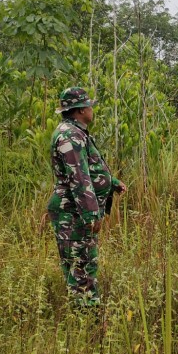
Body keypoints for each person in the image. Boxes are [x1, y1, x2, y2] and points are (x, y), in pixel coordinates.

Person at [47, 87, 126, 308]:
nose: (93, 109)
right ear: (81, 110)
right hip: (73, 212)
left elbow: (87, 168)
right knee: (81, 263)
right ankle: (85, 316)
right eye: (90, 105)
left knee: (82, 261)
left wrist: (111, 182)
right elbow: (78, 179)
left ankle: (85, 309)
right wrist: (91, 214)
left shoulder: (75, 132)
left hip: (76, 210)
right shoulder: (70, 136)